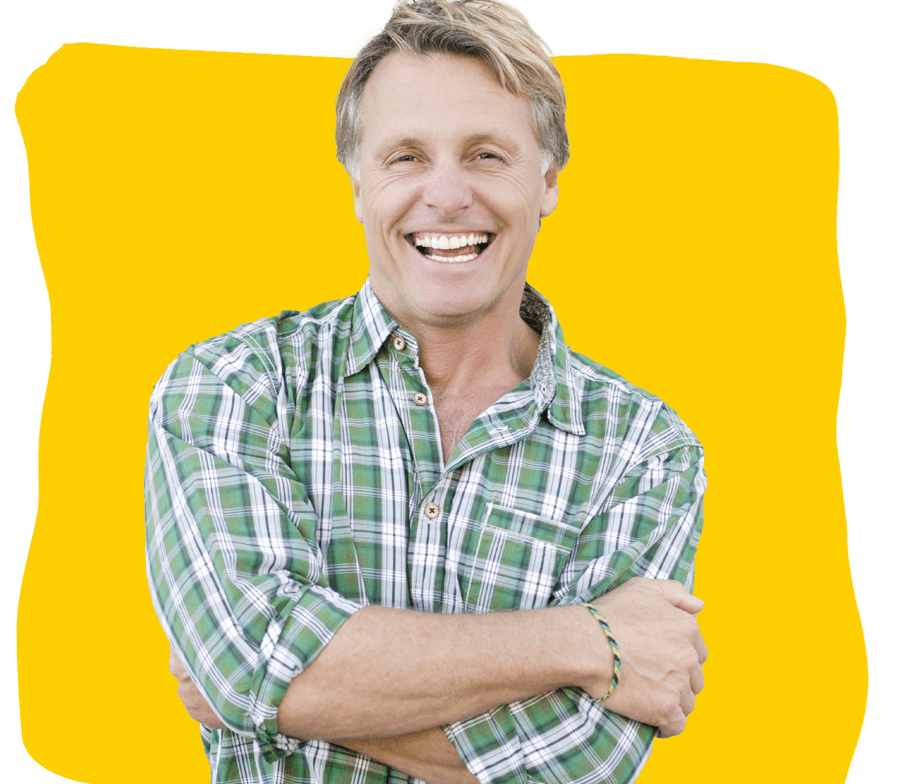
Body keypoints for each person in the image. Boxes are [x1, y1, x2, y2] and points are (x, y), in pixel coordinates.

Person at [145, 2, 708, 782]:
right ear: (357, 182)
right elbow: (247, 656)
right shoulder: (234, 387)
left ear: (546, 181)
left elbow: (580, 762)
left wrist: (278, 693)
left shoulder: (644, 449)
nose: (446, 196)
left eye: (485, 155)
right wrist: (587, 642)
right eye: (405, 157)